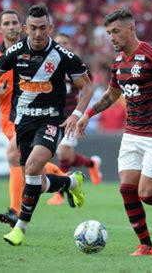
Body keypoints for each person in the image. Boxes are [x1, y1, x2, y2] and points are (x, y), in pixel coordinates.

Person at [0, 5, 93, 246]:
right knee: (37, 182)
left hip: (52, 120)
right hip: (23, 122)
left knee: (32, 168)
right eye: (32, 28)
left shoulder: (63, 55)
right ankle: (72, 182)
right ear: (26, 28)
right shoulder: (15, 52)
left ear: (50, 28)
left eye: (42, 28)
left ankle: (20, 227)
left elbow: (87, 86)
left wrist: (76, 114)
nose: (37, 33)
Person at [76, 9, 152, 256]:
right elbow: (112, 94)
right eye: (109, 32)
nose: (111, 37)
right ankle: (146, 245)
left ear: (130, 29)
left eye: (116, 31)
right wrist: (87, 115)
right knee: (127, 189)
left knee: (147, 193)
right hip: (131, 133)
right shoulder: (118, 62)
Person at [0, 10, 70, 227]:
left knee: (17, 156)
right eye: (6, 23)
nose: (11, 27)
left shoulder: (34, 52)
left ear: (22, 27)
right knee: (30, 164)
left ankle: (15, 211)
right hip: (7, 118)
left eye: (14, 23)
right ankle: (68, 181)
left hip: (31, 116)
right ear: (0, 28)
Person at [47, 33, 102, 206]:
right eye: (59, 43)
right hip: (50, 115)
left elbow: (88, 83)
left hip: (71, 116)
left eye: (65, 42)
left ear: (71, 45)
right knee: (66, 156)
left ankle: (60, 194)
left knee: (63, 153)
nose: (62, 45)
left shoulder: (75, 65)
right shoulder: (47, 65)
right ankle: (92, 164)